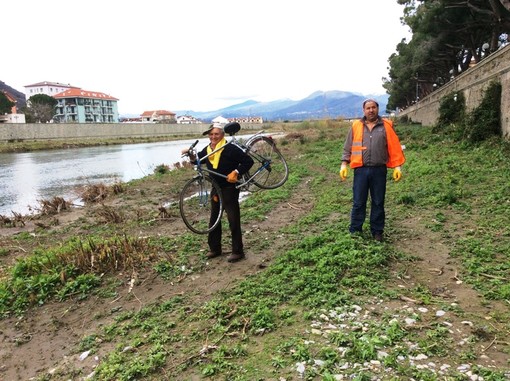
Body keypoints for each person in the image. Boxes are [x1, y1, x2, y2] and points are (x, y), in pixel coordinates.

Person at [182, 123, 254, 262]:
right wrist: (190, 155)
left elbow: (248, 161)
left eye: (216, 134)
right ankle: (215, 249)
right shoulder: (208, 149)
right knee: (214, 219)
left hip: (229, 188)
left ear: (222, 135)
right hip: (216, 187)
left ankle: (238, 252)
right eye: (211, 134)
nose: (213, 137)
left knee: (233, 219)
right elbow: (197, 161)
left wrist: (236, 172)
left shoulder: (230, 148)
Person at [339, 99, 405, 241]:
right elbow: (348, 146)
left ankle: (377, 232)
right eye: (368, 108)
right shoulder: (356, 126)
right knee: (358, 202)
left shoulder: (386, 126)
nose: (371, 110)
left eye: (373, 107)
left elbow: (394, 147)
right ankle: (355, 230)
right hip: (360, 171)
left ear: (377, 109)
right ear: (364, 110)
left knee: (378, 201)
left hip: (379, 171)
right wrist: (344, 164)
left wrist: (397, 166)